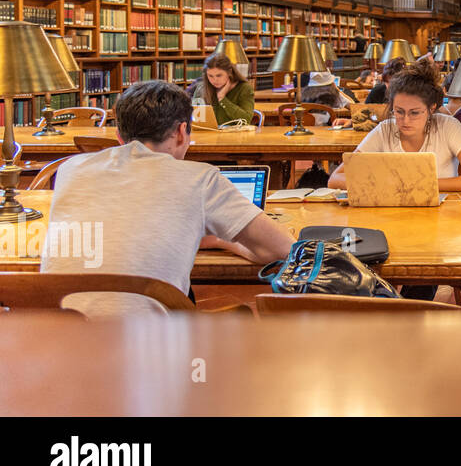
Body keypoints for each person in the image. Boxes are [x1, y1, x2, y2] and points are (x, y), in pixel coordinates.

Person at [40, 80, 293, 317]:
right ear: (182, 132)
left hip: (62, 343)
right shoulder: (200, 178)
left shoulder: (71, 168)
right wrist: (222, 242)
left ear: (119, 136)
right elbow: (284, 249)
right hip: (149, 352)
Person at [329, 61, 461, 192]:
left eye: (415, 113)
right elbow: (335, 179)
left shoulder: (448, 127)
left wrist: (422, 184)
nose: (405, 120)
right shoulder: (384, 130)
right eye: (399, 112)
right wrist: (383, 185)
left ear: (432, 108)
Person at [187, 53, 255, 125]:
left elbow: (246, 120)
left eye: (219, 75)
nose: (214, 80)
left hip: (235, 134)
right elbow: (197, 120)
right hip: (208, 134)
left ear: (229, 72)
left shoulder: (244, 88)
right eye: (210, 76)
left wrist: (222, 99)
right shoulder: (202, 88)